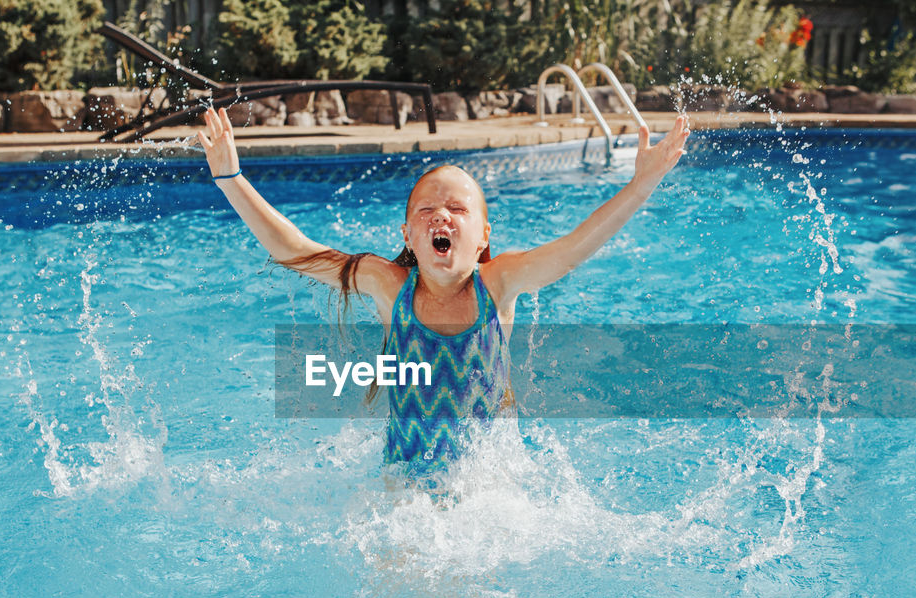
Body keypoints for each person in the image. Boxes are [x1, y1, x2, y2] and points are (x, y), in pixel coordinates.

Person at [197, 106, 691, 473]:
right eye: (426, 210)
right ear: (409, 236)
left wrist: (641, 185)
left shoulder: (498, 285)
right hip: (403, 485)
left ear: (483, 239)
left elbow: (574, 248)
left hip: (487, 490)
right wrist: (231, 180)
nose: (441, 215)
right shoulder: (388, 285)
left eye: (458, 209)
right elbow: (298, 252)